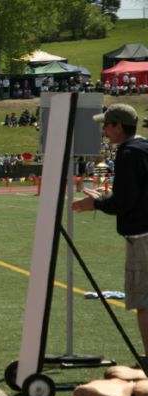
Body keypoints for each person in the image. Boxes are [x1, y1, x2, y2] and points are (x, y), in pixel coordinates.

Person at [72, 103, 148, 358]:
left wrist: (94, 203)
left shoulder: (128, 153)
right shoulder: (144, 147)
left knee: (144, 303)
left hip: (142, 237)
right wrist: (107, 198)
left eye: (106, 125)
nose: (103, 130)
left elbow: (124, 202)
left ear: (118, 126)